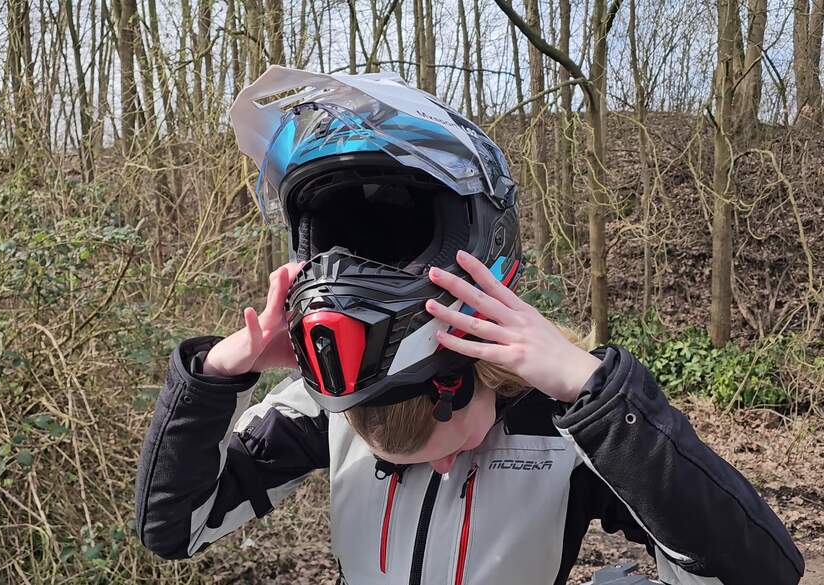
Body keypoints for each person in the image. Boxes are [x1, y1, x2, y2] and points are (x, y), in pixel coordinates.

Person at [134, 67, 804, 585]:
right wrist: (215, 377)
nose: (448, 465)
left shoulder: (566, 427)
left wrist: (601, 396)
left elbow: (762, 571)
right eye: (395, 463)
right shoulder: (327, 403)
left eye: (450, 434)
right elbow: (174, 528)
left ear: (472, 370)